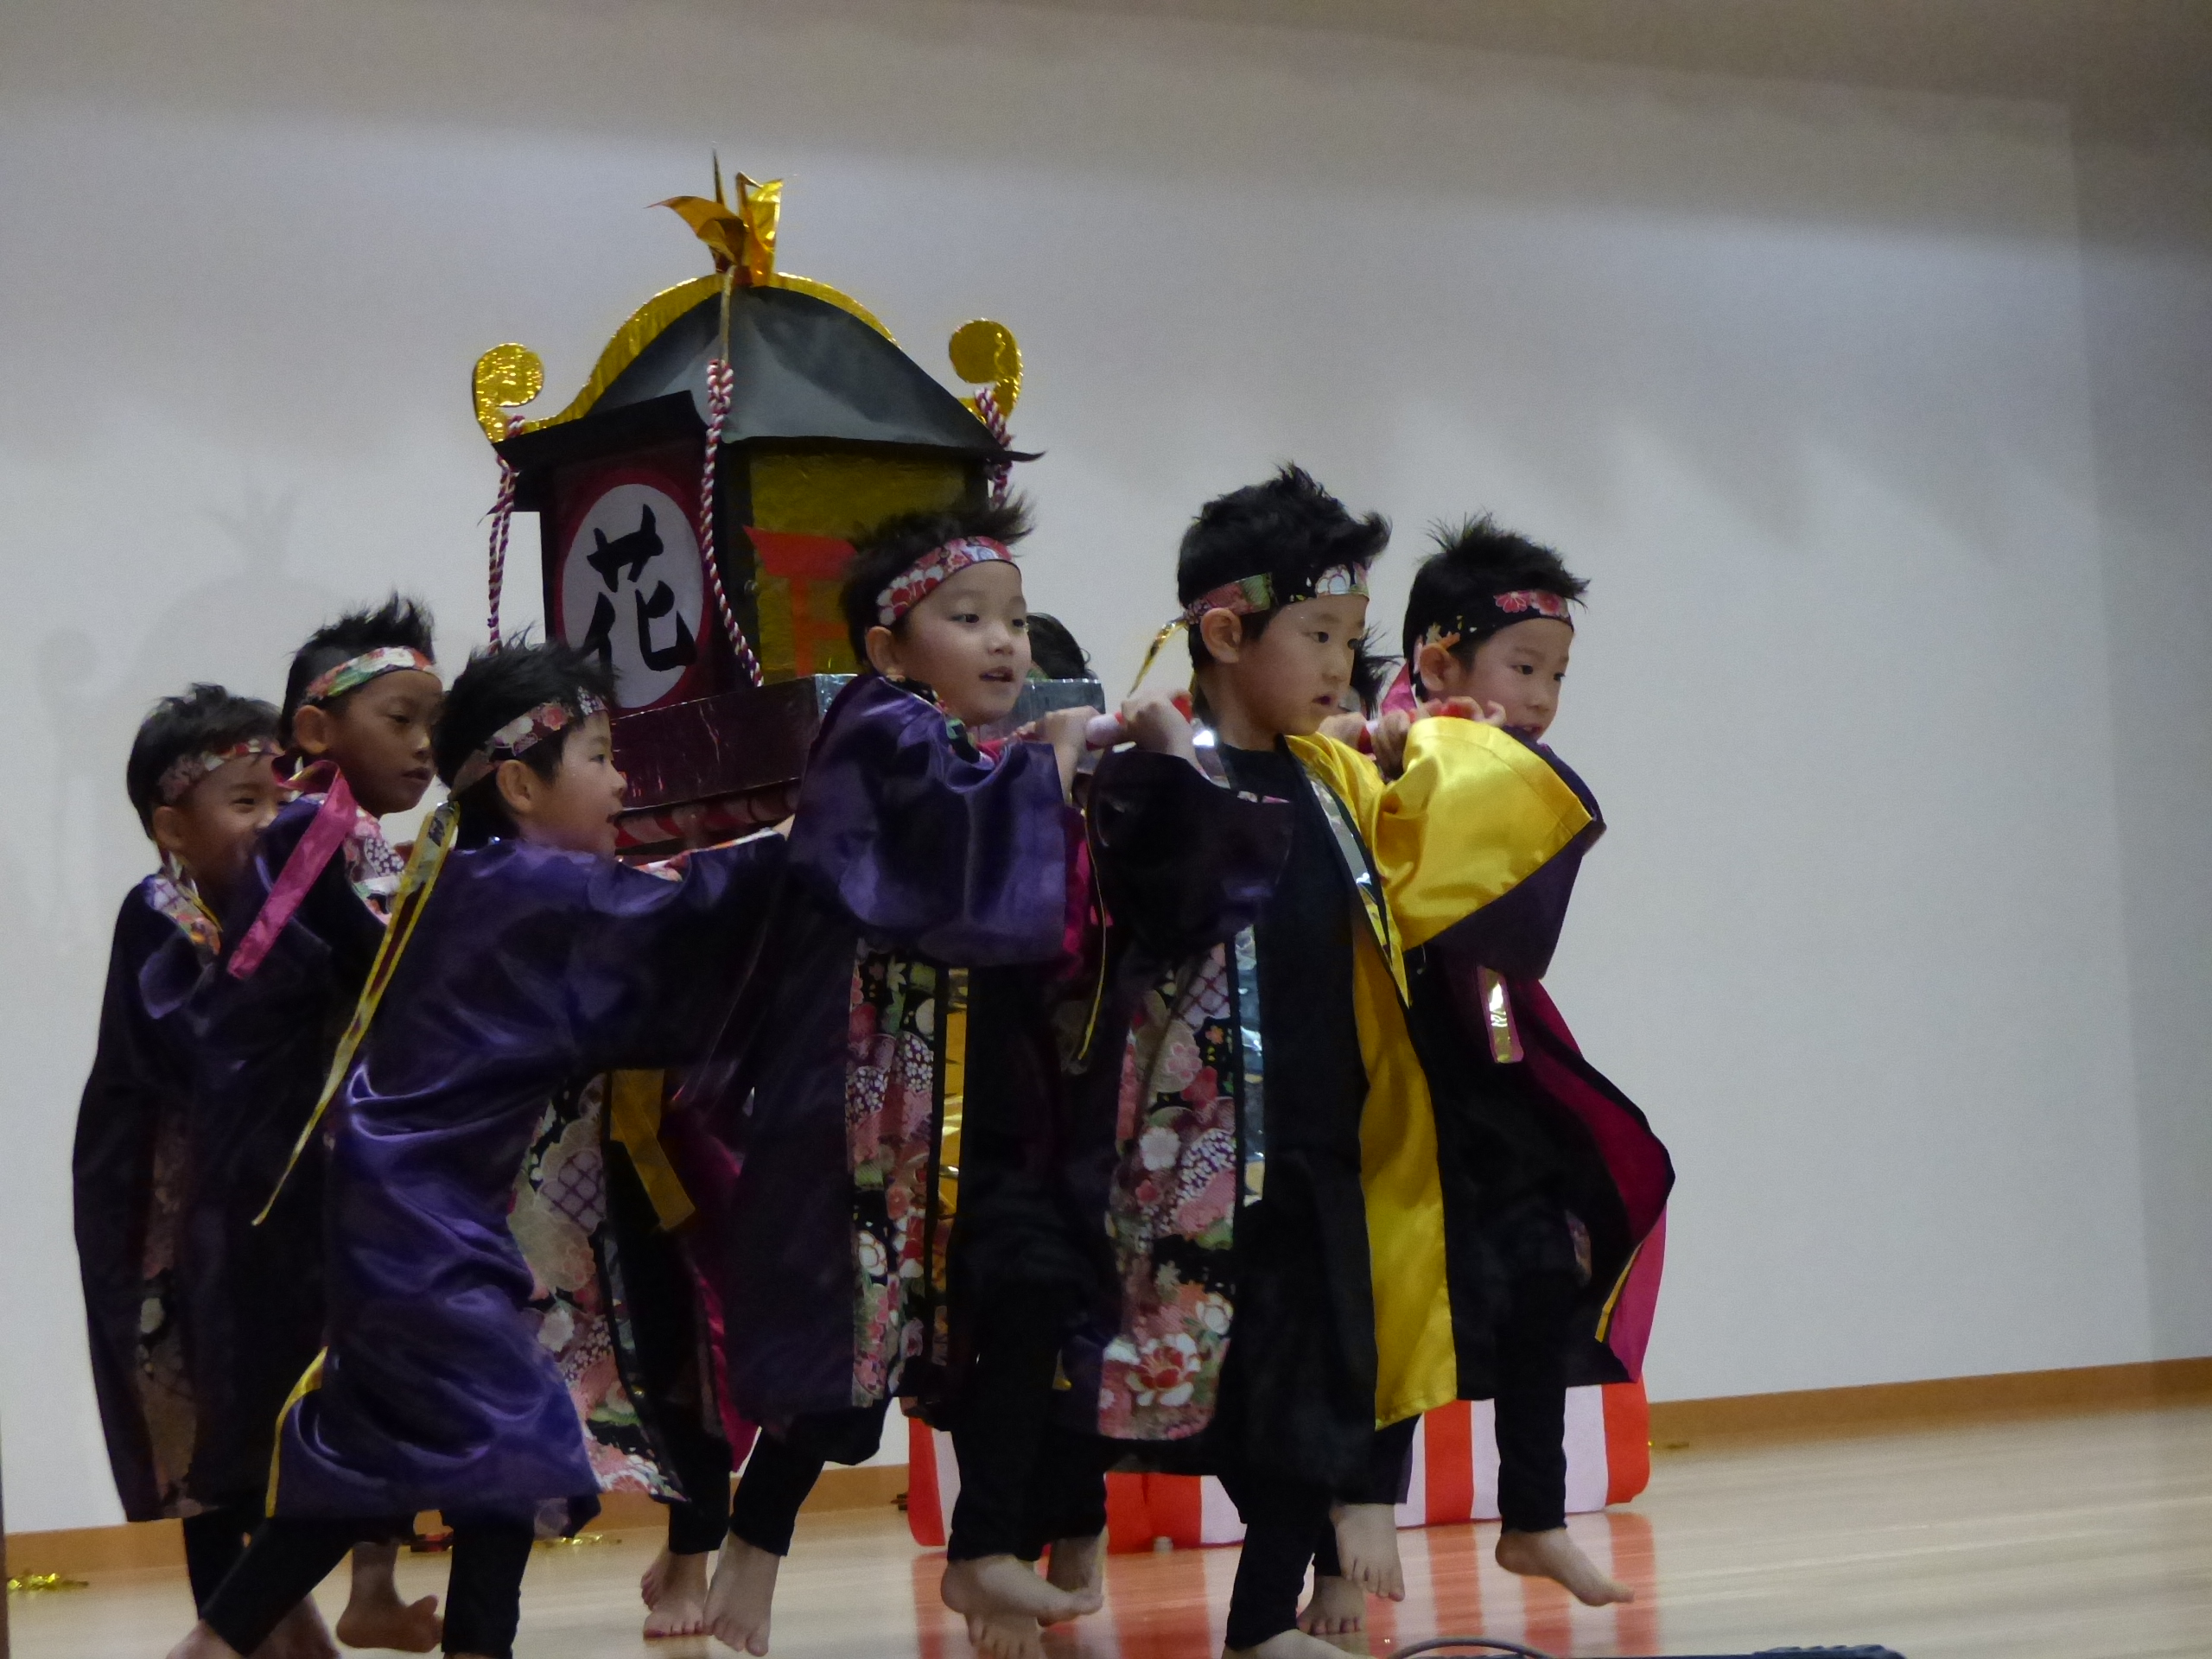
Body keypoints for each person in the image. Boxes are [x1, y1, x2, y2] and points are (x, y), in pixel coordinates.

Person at [1051, 467, 1595, 1659]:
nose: (1342, 662)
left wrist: (1446, 745)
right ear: (1225, 635)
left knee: (1325, 1386)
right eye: (1318, 635)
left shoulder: (1336, 773)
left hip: (1327, 1142)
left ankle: (1261, 1627)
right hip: (1193, 1162)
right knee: (1192, 1390)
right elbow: (1171, 905)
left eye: (1352, 637)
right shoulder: (1155, 770)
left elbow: (1435, 852)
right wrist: (1168, 765)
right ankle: (1056, 1535)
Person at [166, 640, 788, 1659]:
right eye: (599, 756)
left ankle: (211, 1645)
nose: (621, 782)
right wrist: (802, 840)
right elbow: (688, 909)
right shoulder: (530, 887)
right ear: (520, 785)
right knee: (518, 1443)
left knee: (375, 1458)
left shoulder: (476, 876)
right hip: (418, 1220)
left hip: (398, 1208)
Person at [669, 497, 1097, 1657]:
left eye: (1015, 619)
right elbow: (960, 845)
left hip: (978, 1100)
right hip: (867, 1105)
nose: (1005, 643)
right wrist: (1051, 767)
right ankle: (756, 1544)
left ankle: (987, 1550)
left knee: (1032, 1294)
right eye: (969, 618)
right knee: (855, 1335)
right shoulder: (878, 728)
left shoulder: (974, 751)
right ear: (887, 649)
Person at [1369, 516, 1674, 1608]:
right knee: (1397, 1296)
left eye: (1556, 675)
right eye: (1524, 667)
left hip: (1486, 1058)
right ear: (1440, 661)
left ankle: (1533, 1518)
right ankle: (1352, 1536)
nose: (1542, 697)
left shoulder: (1491, 761)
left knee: (1544, 1262)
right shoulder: (1378, 747)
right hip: (1387, 1066)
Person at [185, 599, 446, 1653]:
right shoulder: (305, 829)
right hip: (281, 1157)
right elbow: (388, 964)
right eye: (400, 718)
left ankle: (358, 1593)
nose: (425, 745)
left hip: (326, 1146)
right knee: (307, 1393)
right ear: (315, 731)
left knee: (356, 1383)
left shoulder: (361, 836)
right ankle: (241, 1627)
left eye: (436, 722)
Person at [73, 687, 284, 1618]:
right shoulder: (161, 911)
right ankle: (231, 1616)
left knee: (261, 1389)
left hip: (237, 1196)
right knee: (190, 1406)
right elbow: (203, 1036)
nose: (273, 822)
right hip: (157, 1210)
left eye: (283, 799)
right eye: (245, 802)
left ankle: (270, 1605)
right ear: (172, 829)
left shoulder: (278, 908)